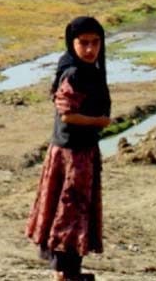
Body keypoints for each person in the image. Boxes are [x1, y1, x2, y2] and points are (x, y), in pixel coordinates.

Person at [26, 16, 111, 281]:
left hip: (79, 151)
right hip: (72, 155)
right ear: (71, 43)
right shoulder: (74, 73)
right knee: (71, 212)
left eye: (95, 43)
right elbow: (67, 113)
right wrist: (99, 122)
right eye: (83, 43)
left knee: (72, 211)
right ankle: (65, 274)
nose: (89, 49)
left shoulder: (88, 71)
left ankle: (67, 272)